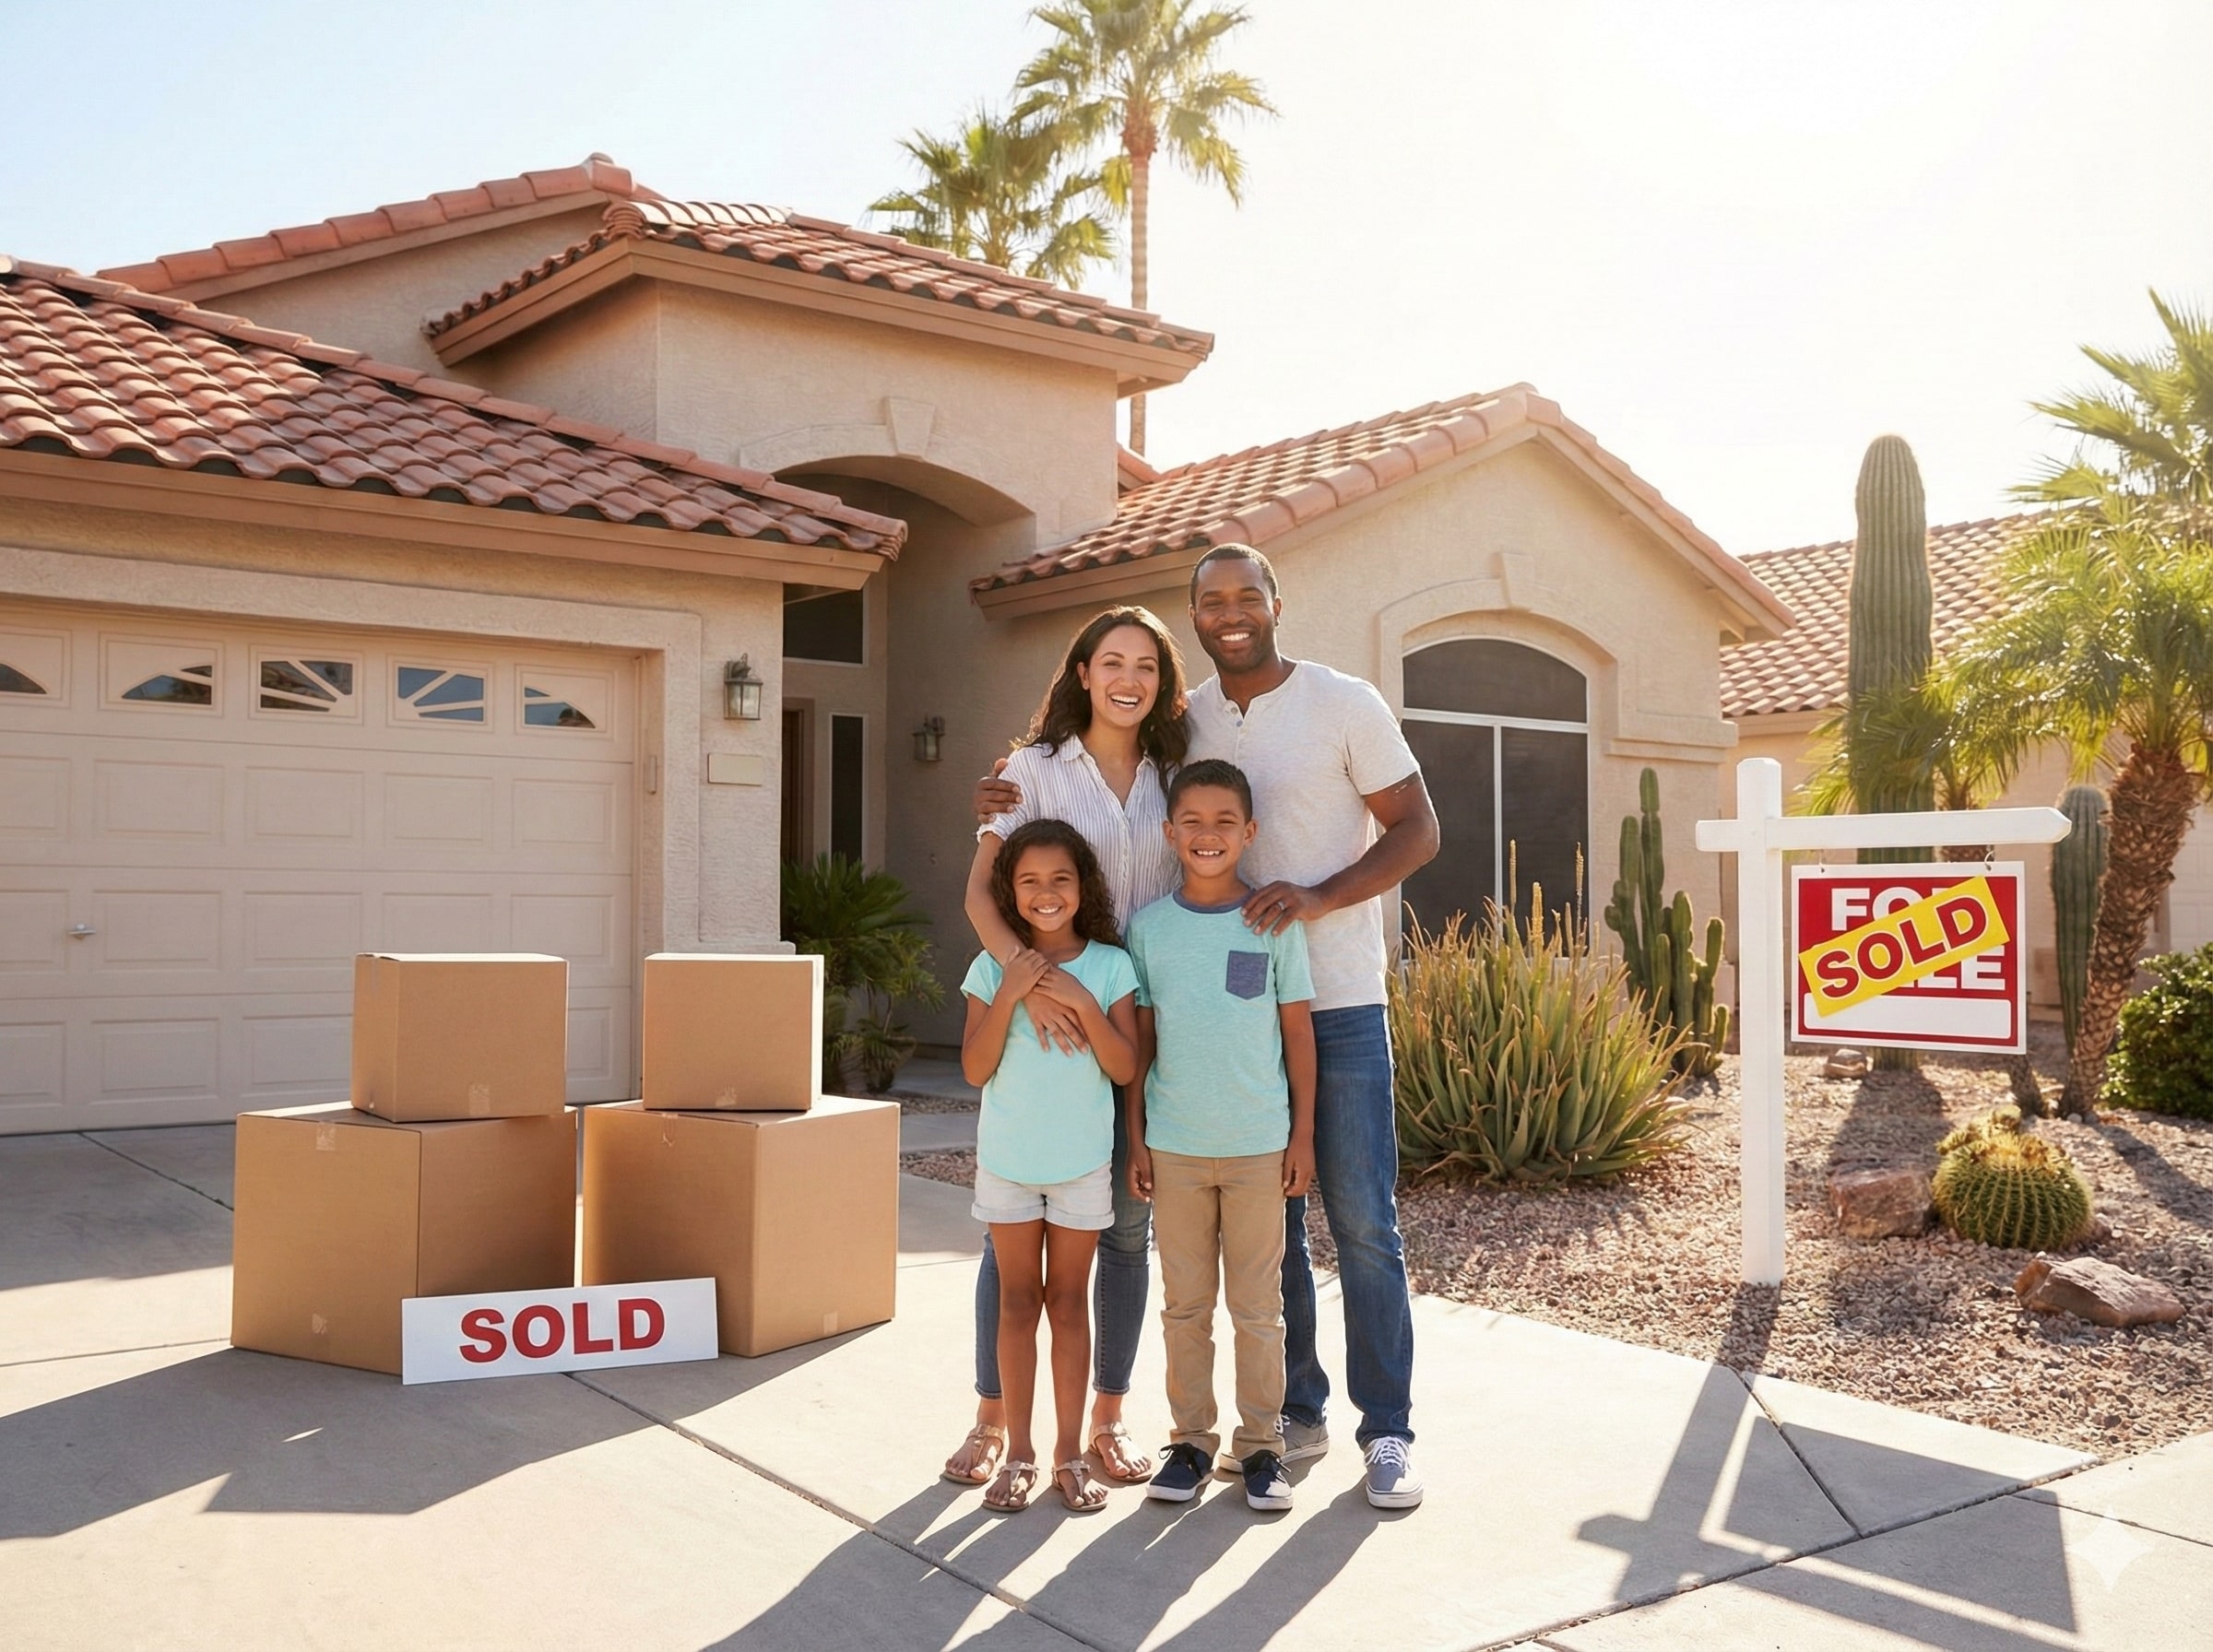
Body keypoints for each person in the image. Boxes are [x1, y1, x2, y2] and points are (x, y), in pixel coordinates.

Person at [976, 545, 1439, 1510]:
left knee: (1360, 1222)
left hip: (1333, 996)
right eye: (1211, 601)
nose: (1231, 613)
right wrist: (997, 794)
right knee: (1250, 1235)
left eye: (1247, 595)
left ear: (1277, 600)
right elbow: (1054, 800)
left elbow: (1418, 830)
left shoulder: (1342, 701)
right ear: (1193, 617)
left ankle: (1386, 1430)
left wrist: (1316, 898)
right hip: (1182, 1018)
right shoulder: (1180, 726)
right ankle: (1288, 1413)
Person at [944, 606, 1190, 1493]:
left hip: (1139, 1011)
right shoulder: (1031, 772)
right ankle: (994, 1418)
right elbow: (982, 893)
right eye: (1112, 661)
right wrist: (1035, 984)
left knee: (1125, 1230)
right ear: (1081, 672)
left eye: (1149, 666)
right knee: (1009, 1249)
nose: (1130, 678)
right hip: (1050, 1002)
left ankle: (1105, 1421)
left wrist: (1096, 1003)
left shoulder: (1176, 774)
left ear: (1164, 683)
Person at [1125, 760, 1315, 1512]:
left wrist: (1302, 1136)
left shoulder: (1272, 922)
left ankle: (1263, 1448)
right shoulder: (1149, 927)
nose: (1208, 836)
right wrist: (1136, 1138)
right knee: (1184, 1304)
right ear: (1170, 833)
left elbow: (1298, 1034)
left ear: (1250, 833)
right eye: (1193, 823)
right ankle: (1191, 1443)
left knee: (1258, 1309)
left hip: (1258, 1146)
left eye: (1224, 823)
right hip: (1173, 1145)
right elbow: (1139, 1042)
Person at [959, 820, 1142, 1513]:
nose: (1045, 893)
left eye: (1060, 879)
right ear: (1009, 891)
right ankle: (1022, 1452)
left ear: (1082, 885)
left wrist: (1084, 1004)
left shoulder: (1110, 965)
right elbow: (976, 1068)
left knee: (1069, 1304)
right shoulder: (987, 968)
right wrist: (1012, 990)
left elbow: (1124, 1066)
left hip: (1080, 1167)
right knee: (1015, 1303)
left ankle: (1070, 1450)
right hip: (1008, 1164)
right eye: (1029, 881)